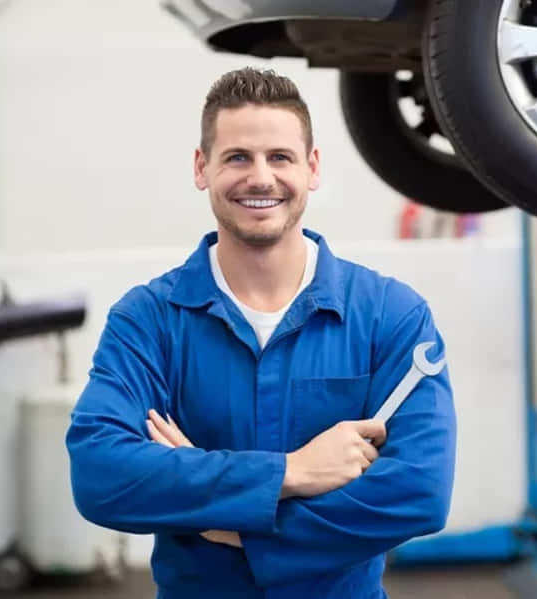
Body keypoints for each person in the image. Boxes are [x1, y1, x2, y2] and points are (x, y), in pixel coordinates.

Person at [65, 67, 457, 599]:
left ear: (311, 168)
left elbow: (419, 493)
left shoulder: (389, 315)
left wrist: (237, 529)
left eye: (279, 157)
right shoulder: (148, 320)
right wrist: (290, 472)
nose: (260, 178)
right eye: (237, 158)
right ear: (201, 168)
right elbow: (100, 473)